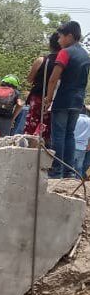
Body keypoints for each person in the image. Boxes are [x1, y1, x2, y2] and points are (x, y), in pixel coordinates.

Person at [44, 21, 90, 178]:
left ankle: (56, 171)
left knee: (58, 135)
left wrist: (48, 99)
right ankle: (69, 172)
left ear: (69, 36)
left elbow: (53, 79)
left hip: (63, 99)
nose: (58, 41)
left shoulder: (65, 52)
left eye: (60, 37)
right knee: (70, 135)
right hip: (78, 101)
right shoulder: (85, 55)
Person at [25, 33, 61, 143]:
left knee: (31, 126)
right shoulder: (63, 63)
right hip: (53, 100)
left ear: (50, 45)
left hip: (37, 97)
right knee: (46, 128)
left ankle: (28, 149)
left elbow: (29, 79)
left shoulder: (41, 60)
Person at [74, 107, 90, 179]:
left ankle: (71, 180)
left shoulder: (75, 119)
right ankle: (78, 180)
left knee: (71, 166)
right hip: (83, 147)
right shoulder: (89, 120)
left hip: (73, 145)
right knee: (79, 167)